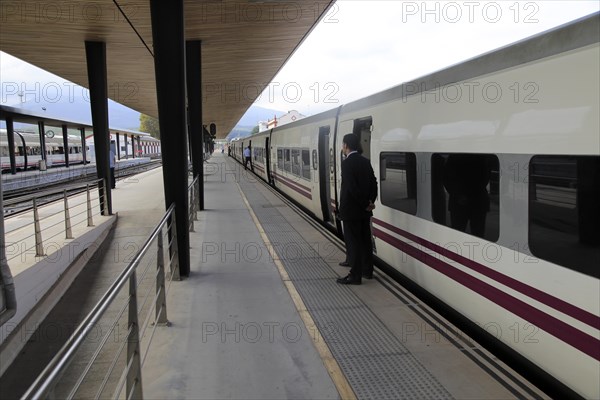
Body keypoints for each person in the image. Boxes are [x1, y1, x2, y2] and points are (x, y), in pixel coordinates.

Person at [336, 133, 378, 285]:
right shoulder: (365, 161)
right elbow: (374, 183)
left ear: (346, 145)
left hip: (351, 211)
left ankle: (355, 275)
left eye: (343, 144)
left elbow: (351, 188)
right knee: (366, 241)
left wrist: (363, 203)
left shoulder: (347, 163)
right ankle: (368, 271)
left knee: (353, 243)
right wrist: (370, 202)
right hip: (364, 211)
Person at [443, 154, 491, 238]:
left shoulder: (454, 157)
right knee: (478, 235)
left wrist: (458, 195)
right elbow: (486, 176)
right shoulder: (481, 156)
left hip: (460, 202)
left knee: (457, 235)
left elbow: (446, 178)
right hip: (477, 201)